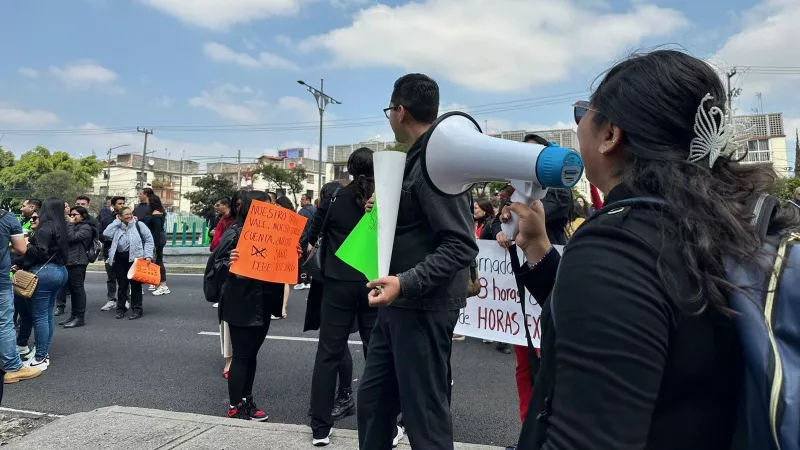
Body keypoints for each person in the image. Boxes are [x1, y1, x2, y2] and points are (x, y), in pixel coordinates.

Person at [507, 49, 800, 449]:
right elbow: (647, 322)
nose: (579, 128)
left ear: (610, 134)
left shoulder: (617, 245)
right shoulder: (720, 226)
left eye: (584, 114)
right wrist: (541, 249)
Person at [358, 73, 479, 449]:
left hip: (422, 307)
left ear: (400, 110)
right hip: (398, 305)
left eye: (388, 111)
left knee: (425, 419)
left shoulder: (437, 161)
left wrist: (405, 283)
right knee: (373, 405)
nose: (389, 118)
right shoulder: (410, 160)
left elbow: (461, 245)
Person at [309, 148, 379, 446]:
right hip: (374, 283)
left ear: (348, 170)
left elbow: (311, 237)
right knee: (377, 356)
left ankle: (320, 428)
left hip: (336, 283)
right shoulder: (385, 199)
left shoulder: (334, 197)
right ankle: (383, 426)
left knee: (328, 354)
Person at [216, 191, 291, 421]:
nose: (273, 210)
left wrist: (293, 256)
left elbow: (281, 266)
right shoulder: (235, 233)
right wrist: (229, 262)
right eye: (267, 206)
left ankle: (246, 400)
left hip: (263, 302)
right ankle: (235, 407)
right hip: (241, 302)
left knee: (251, 354)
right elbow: (215, 268)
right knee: (241, 356)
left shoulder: (272, 234)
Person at [13, 197, 70, 371]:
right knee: (46, 316)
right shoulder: (62, 226)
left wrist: (25, 246)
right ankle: (42, 353)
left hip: (44, 273)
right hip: (59, 272)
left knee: (39, 316)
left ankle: (41, 357)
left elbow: (40, 252)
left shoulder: (45, 227)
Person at [1, 203, 41, 385]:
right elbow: (21, 249)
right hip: (0, 280)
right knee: (4, 323)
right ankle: (13, 368)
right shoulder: (7, 218)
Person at [103, 206, 154, 320]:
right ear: (120, 216)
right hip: (120, 259)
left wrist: (148, 256)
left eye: (130, 213)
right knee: (122, 286)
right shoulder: (117, 227)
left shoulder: (139, 225)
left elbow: (149, 240)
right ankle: (121, 309)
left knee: (135, 286)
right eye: (126, 214)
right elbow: (106, 233)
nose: (129, 216)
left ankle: (137, 309)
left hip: (136, 259)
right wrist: (116, 221)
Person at [56, 206, 94, 328]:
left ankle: (80, 318)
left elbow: (72, 238)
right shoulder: (73, 226)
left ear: (82, 216)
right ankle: (73, 315)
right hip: (68, 261)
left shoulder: (86, 227)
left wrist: (70, 224)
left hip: (78, 262)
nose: (71, 217)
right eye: (70, 215)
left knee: (78, 290)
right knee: (72, 291)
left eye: (74, 215)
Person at [99, 196, 125, 311]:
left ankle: (125, 299)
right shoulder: (106, 219)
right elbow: (100, 235)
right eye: (119, 203)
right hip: (109, 252)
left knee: (125, 278)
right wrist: (111, 239)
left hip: (125, 252)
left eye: (123, 203)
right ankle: (111, 300)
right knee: (111, 277)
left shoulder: (129, 218)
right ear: (113, 206)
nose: (122, 205)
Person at [144, 194, 170, 296]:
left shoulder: (156, 215)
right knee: (157, 261)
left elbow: (156, 231)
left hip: (157, 240)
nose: (147, 203)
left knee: (158, 261)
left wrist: (153, 244)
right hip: (160, 238)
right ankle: (157, 283)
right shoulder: (161, 213)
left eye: (148, 201)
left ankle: (163, 286)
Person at [295, 194, 316, 290]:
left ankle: (303, 281)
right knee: (309, 259)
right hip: (313, 240)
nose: (300, 201)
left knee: (302, 260)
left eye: (303, 199)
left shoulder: (302, 212)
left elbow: (298, 227)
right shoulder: (316, 211)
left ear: (308, 200)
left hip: (303, 239)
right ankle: (308, 280)